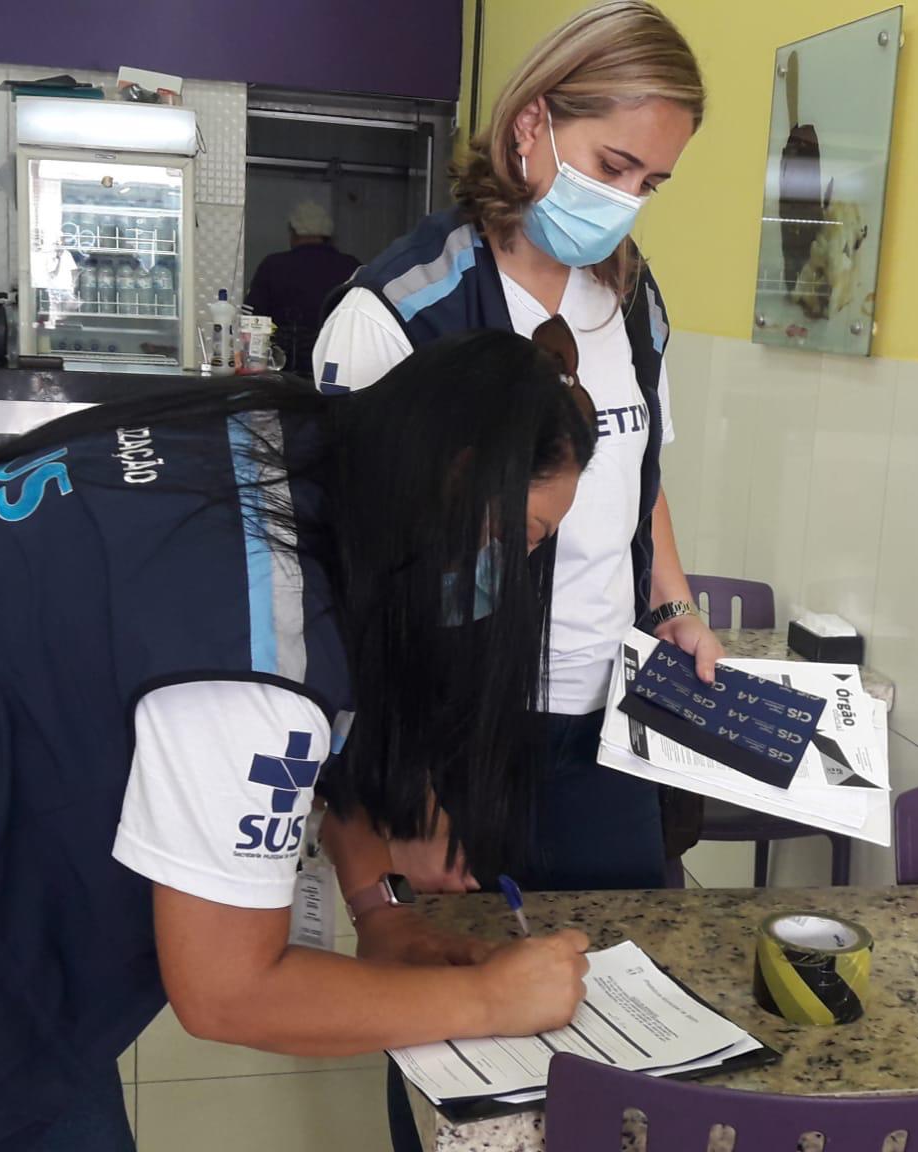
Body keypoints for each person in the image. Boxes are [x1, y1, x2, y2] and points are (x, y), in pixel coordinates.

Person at [0, 329, 596, 1152]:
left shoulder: (289, 443)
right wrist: (488, 999)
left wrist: (380, 911)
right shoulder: (252, 646)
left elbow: (325, 712)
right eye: (519, 535)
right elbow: (230, 991)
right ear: (453, 475)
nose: (512, 571)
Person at [316, 0, 720, 898]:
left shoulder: (632, 299)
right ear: (532, 122)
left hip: (606, 717)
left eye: (650, 183)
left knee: (617, 958)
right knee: (460, 970)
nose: (625, 203)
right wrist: (402, 792)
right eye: (612, 166)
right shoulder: (405, 310)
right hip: (456, 729)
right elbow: (349, 573)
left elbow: (639, 472)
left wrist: (673, 603)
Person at [245, 201, 360, 376]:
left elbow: (250, 321)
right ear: (328, 235)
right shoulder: (351, 267)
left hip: (282, 372)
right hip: (333, 370)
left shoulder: (273, 265)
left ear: (293, 232)